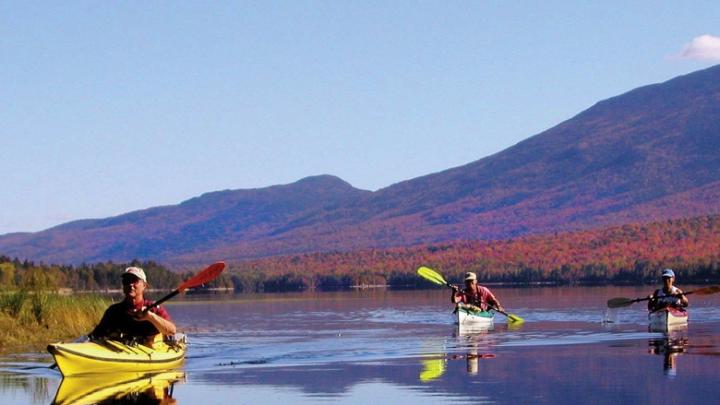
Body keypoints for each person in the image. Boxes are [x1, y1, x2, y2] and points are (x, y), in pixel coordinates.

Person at [90, 266, 176, 344]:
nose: (130, 284)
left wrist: (150, 317)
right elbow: (95, 335)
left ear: (144, 286)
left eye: (135, 281)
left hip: (151, 350)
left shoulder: (154, 309)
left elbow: (172, 330)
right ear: (123, 286)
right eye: (126, 281)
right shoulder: (113, 311)